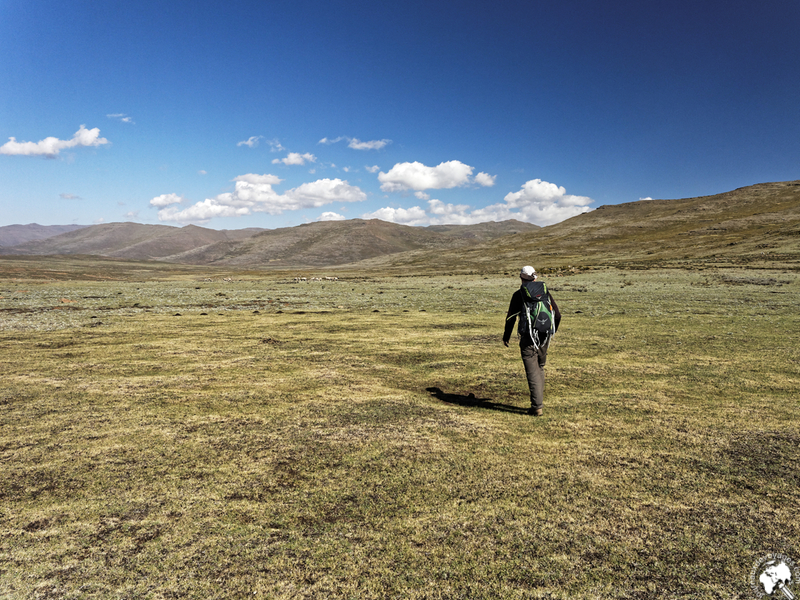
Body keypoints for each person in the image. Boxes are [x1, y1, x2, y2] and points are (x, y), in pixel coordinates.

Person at [503, 266, 561, 416]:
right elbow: (557, 314)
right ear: (534, 277)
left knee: (532, 371)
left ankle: (537, 407)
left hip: (528, 337)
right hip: (544, 336)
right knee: (540, 367)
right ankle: (538, 402)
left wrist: (506, 336)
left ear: (521, 278)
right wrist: (551, 331)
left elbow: (510, 318)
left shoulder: (519, 294)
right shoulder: (544, 291)